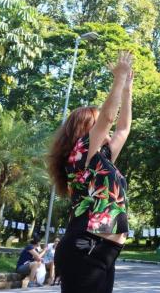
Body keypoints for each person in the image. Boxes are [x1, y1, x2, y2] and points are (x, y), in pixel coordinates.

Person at [49, 51, 134, 293]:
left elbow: (123, 129)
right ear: (85, 130)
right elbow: (108, 118)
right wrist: (117, 78)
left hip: (104, 251)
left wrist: (127, 88)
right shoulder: (80, 154)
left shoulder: (99, 159)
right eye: (97, 127)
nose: (105, 132)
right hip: (86, 248)